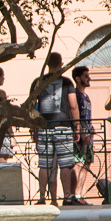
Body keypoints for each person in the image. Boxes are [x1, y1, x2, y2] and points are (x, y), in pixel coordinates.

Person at [32, 52, 80, 204]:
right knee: (65, 164)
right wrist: (77, 126)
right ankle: (67, 196)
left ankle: (42, 197)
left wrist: (34, 129)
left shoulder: (38, 82)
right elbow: (73, 105)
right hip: (63, 127)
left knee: (44, 164)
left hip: (44, 127)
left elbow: (31, 107)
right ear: (61, 64)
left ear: (47, 64)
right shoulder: (66, 83)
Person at [69, 66, 97, 200]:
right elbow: (76, 114)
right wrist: (82, 133)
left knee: (86, 163)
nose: (88, 78)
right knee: (78, 163)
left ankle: (80, 193)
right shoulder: (76, 95)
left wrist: (91, 131)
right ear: (78, 78)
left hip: (87, 134)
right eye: (86, 76)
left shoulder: (86, 97)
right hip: (79, 135)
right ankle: (74, 193)